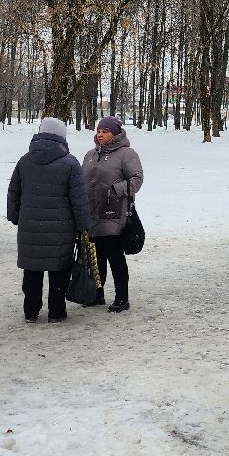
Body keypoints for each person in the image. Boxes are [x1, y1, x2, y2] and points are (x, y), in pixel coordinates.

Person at [7, 116, 91, 324]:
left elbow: (13, 192)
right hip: (61, 229)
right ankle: (56, 312)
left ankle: (31, 311)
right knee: (59, 272)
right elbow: (79, 200)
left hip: (30, 228)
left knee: (32, 271)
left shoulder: (25, 161)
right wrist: (84, 226)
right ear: (62, 137)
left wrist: (15, 216)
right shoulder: (70, 163)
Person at [81, 115, 143, 313]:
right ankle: (97, 294)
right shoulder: (90, 154)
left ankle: (121, 298)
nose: (100, 135)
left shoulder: (126, 154)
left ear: (115, 134)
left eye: (105, 131)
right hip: (92, 212)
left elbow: (137, 179)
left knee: (115, 257)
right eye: (99, 131)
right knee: (95, 257)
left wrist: (117, 190)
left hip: (114, 213)